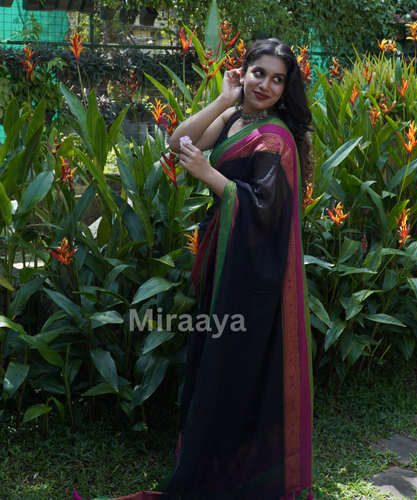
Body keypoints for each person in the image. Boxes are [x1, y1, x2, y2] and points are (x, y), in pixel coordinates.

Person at [86, 38, 315, 500]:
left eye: (277, 79)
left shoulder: (277, 137)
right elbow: (178, 142)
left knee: (237, 359)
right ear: (243, 72)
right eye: (258, 73)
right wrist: (224, 99)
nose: (266, 85)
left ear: (286, 88)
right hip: (223, 251)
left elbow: (268, 209)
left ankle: (236, 462)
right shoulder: (235, 117)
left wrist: (209, 174)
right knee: (216, 354)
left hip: (252, 271)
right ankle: (210, 452)